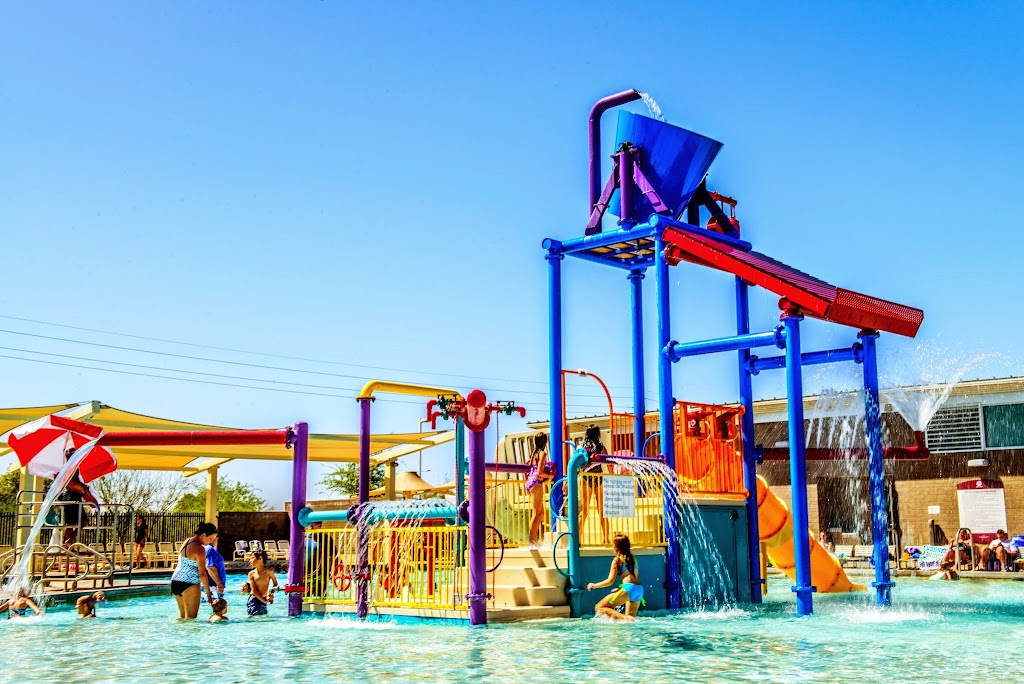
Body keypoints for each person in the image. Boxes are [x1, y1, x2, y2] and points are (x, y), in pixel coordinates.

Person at [586, 534, 643, 621]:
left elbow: (610, 581)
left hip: (628, 589)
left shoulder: (617, 560)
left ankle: (624, 617)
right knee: (629, 622)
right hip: (639, 590)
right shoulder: (633, 559)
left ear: (616, 547)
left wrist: (594, 585)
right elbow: (633, 579)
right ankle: (626, 619)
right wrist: (621, 590)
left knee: (599, 607)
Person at [170, 522, 217, 620]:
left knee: (182, 617)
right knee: (191, 619)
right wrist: (208, 592)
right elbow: (202, 573)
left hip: (175, 581)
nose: (211, 542)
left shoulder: (187, 541)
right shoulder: (200, 549)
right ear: (203, 535)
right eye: (210, 539)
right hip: (189, 583)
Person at [579, 425, 611, 545]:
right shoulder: (601, 447)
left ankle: (577, 539)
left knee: (584, 510)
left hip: (586, 477)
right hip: (598, 477)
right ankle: (606, 539)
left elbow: (577, 463)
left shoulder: (582, 446)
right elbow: (609, 464)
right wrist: (614, 476)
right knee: (602, 511)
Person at [525, 434, 554, 545]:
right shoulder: (542, 453)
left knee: (540, 513)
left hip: (531, 482)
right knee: (536, 513)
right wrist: (549, 476)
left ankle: (534, 540)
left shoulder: (534, 452)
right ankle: (531, 541)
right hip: (536, 483)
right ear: (546, 442)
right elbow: (540, 472)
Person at [246, 549, 279, 617]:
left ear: (260, 558)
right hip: (254, 600)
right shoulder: (251, 574)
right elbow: (254, 590)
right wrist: (264, 601)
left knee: (263, 619)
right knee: (255, 619)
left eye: (252, 558)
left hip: (264, 599)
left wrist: (271, 594)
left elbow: (275, 584)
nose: (250, 561)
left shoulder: (269, 572)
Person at [205, 531, 227, 600]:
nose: (217, 539)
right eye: (216, 537)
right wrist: (219, 583)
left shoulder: (207, 549)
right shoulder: (211, 550)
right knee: (218, 605)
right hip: (213, 586)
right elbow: (210, 567)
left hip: (212, 585)